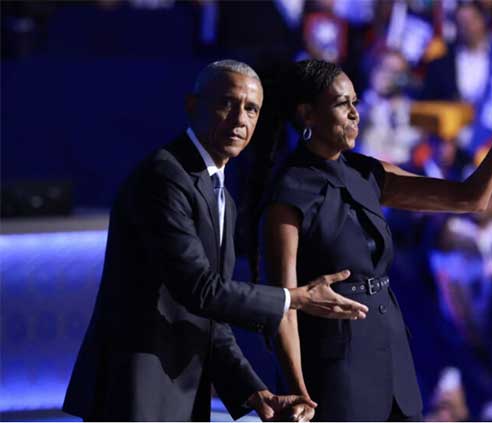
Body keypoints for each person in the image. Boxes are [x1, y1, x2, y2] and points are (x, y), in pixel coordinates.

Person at [62, 60, 369, 422]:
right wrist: (295, 298)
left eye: (251, 109)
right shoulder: (165, 177)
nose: (241, 118)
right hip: (136, 391)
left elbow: (210, 318)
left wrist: (257, 394)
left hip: (179, 392)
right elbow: (199, 289)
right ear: (193, 105)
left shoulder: (221, 193)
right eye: (228, 103)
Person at [259, 39, 492, 421]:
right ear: (308, 115)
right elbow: (283, 306)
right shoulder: (289, 192)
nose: (356, 114)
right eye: (343, 104)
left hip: (390, 355)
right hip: (333, 369)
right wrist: (298, 392)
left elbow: (471, 198)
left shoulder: (368, 172)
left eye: (356, 102)